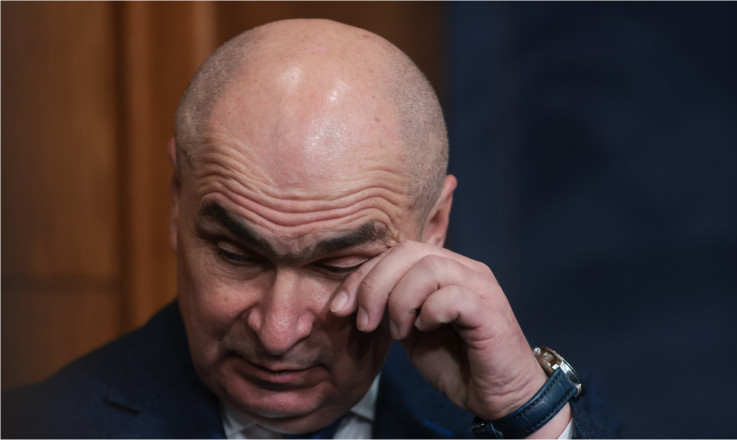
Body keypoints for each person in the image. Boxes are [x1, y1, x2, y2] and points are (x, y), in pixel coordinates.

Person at [2, 19, 613, 439]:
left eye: (338, 266)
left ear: (434, 227)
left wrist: (525, 416)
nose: (277, 332)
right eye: (237, 254)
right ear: (177, 203)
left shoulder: (535, 422)